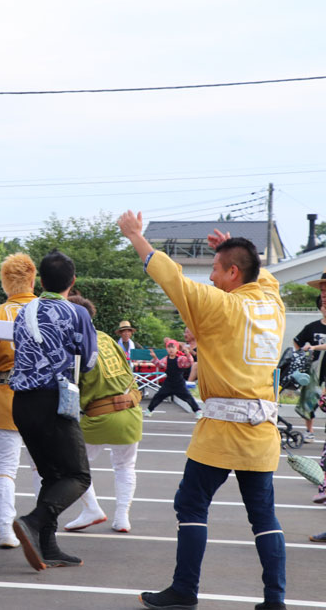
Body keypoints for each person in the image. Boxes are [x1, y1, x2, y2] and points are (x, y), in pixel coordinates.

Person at [119, 211, 287, 610]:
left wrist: (136, 237)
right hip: (262, 431)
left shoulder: (219, 306)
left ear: (231, 273)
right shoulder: (272, 302)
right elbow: (262, 274)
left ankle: (184, 590)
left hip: (221, 430)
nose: (210, 276)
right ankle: (275, 599)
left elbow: (171, 276)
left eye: (214, 268)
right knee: (264, 517)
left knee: (191, 505)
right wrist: (231, 249)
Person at [10, 250, 97, 571]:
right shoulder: (76, 313)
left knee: (52, 475)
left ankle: (48, 546)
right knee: (77, 475)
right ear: (72, 282)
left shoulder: (24, 311)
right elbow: (88, 361)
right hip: (55, 400)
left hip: (21, 403)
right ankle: (33, 523)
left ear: (40, 281)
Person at [0, 253, 41, 549]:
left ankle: (5, 530)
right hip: (42, 395)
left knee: (4, 467)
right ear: (32, 278)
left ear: (4, 283)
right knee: (42, 467)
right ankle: (42, 527)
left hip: (5, 394)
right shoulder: (48, 310)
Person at [62, 294, 143, 534]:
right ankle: (122, 518)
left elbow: (70, 385)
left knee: (74, 465)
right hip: (131, 412)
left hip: (98, 416)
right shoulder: (107, 338)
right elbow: (128, 374)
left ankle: (92, 508)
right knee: (125, 466)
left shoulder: (74, 343)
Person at [293, 294, 326, 445]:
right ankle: (309, 431)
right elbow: (297, 341)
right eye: (323, 304)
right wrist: (303, 356)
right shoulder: (312, 327)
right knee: (310, 401)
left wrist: (314, 347)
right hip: (315, 370)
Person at [143, 339, 201, 419]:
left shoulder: (180, 359)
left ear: (177, 348)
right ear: (166, 349)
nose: (171, 349)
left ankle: (198, 411)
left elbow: (189, 363)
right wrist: (155, 357)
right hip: (168, 383)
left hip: (179, 383)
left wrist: (188, 354)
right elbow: (160, 365)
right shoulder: (165, 359)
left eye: (173, 347)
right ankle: (149, 410)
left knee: (188, 397)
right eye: (169, 347)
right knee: (158, 396)